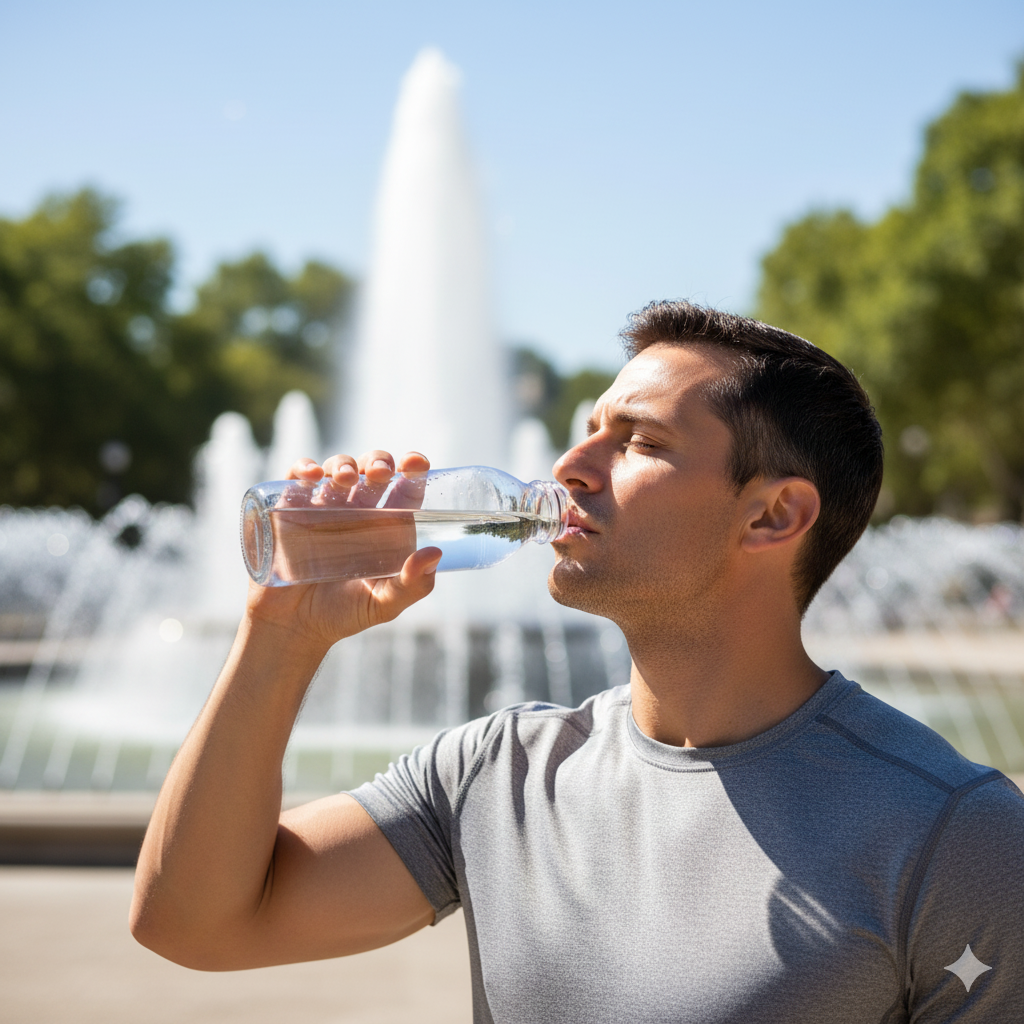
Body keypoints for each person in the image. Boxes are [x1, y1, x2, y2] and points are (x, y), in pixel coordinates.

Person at [131, 301, 1024, 1022]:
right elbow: (193, 923)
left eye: (638, 441)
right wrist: (281, 638)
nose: (569, 465)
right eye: (591, 427)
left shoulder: (954, 832)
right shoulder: (495, 774)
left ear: (773, 516)